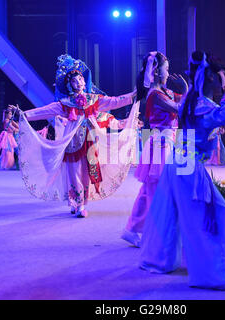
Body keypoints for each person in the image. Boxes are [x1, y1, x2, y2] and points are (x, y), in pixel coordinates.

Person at [139, 52, 225, 291]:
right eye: (222, 78)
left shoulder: (195, 101)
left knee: (169, 215)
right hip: (187, 167)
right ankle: (220, 277)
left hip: (179, 163)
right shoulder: (201, 104)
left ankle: (159, 260)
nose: (224, 82)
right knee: (214, 216)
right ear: (211, 78)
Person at [12, 54, 140, 217]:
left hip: (91, 141)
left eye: (80, 79)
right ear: (69, 85)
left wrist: (133, 95)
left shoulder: (94, 100)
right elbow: (44, 111)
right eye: (74, 80)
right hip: (73, 143)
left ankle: (80, 204)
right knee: (74, 174)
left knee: (86, 174)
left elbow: (114, 101)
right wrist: (23, 114)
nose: (79, 82)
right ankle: (76, 203)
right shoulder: (65, 104)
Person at [121, 51, 188, 247]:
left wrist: (188, 91)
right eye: (167, 69)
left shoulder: (164, 92)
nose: (169, 73)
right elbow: (179, 109)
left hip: (167, 142)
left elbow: (186, 103)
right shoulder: (155, 94)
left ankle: (131, 229)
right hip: (161, 144)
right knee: (157, 189)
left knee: (149, 189)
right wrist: (184, 91)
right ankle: (156, 233)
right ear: (157, 72)